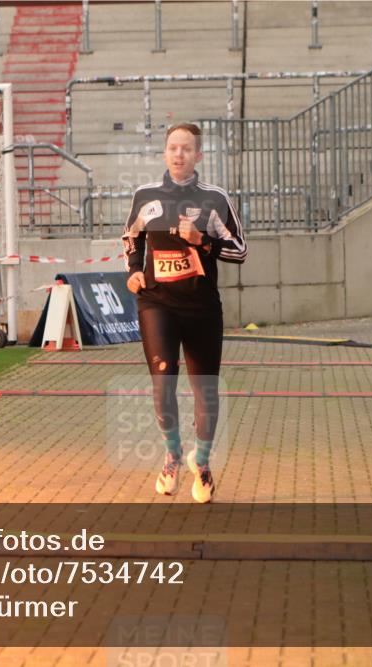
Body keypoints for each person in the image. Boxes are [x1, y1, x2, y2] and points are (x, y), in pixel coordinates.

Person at [122, 122, 247, 503]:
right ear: (165, 154)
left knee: (205, 393)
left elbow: (240, 250)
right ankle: (173, 455)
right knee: (163, 384)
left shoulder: (215, 199)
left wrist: (203, 241)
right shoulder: (145, 196)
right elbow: (131, 238)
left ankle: (203, 464)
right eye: (173, 148)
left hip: (202, 308)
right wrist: (134, 271)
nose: (179, 154)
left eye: (187, 149)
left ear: (198, 156)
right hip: (157, 303)